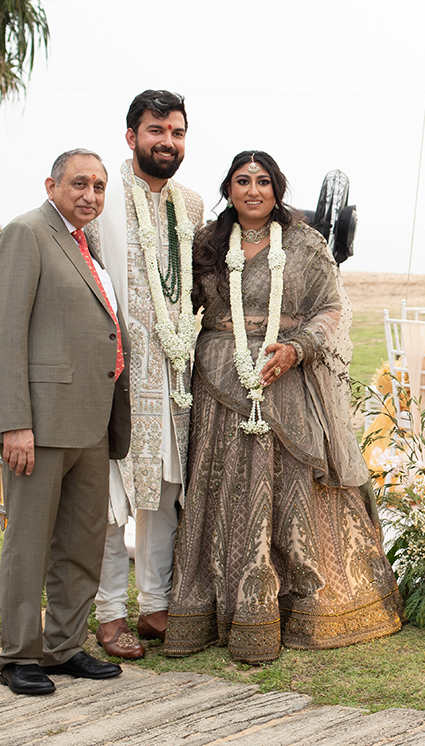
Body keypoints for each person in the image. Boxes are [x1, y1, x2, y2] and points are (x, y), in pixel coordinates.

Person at [165, 151, 401, 663]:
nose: (253, 190)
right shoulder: (205, 242)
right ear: (228, 189)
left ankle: (301, 605)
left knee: (293, 485)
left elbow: (332, 308)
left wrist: (298, 348)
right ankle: (217, 607)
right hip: (219, 382)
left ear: (278, 189)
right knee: (225, 485)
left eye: (264, 181)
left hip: (285, 374)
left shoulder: (303, 242)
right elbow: (180, 304)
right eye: (243, 181)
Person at [0, 148, 131, 695]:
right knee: (28, 541)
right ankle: (19, 654)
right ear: (51, 184)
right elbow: (3, 336)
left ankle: (64, 645)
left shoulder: (83, 242)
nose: (89, 195)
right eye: (78, 184)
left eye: (97, 186)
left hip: (91, 423)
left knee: (81, 540)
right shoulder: (26, 234)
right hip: (39, 426)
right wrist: (14, 424)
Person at [90, 90, 205, 661]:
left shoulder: (192, 203)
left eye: (177, 132)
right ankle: (110, 613)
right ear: (131, 136)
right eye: (156, 130)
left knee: (164, 492)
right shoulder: (101, 197)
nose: (167, 141)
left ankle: (155, 605)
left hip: (175, 375)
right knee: (113, 499)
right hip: (115, 375)